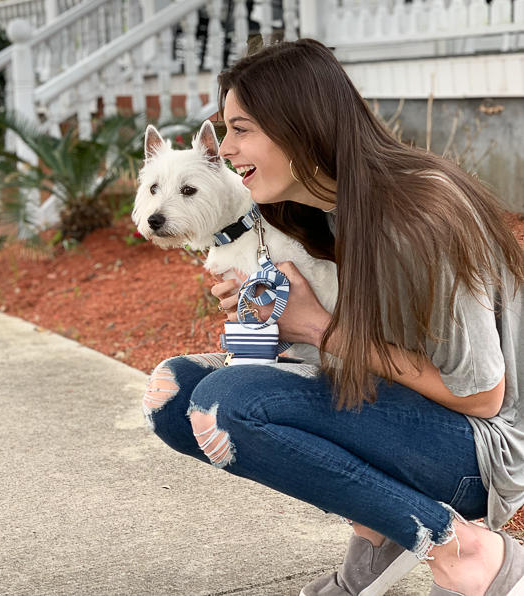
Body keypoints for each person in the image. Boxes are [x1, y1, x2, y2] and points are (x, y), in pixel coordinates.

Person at [142, 39, 524, 596]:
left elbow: (482, 395)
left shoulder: (419, 212)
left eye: (241, 129)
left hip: (479, 450)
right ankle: (381, 526)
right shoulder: (316, 210)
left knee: (226, 406)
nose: (225, 149)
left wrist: (315, 325)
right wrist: (270, 319)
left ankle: (466, 549)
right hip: (407, 414)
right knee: (173, 396)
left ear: (299, 124)